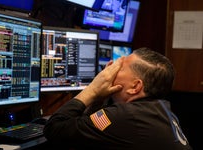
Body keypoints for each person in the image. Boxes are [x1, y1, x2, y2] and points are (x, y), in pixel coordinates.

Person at [43, 47, 192, 150]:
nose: (109, 70)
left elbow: (55, 129)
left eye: (119, 68)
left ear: (135, 87)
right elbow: (88, 129)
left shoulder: (127, 116)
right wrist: (100, 97)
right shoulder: (160, 109)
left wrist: (93, 89)